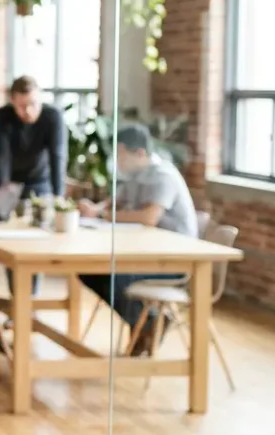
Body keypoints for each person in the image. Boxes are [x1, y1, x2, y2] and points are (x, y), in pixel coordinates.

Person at [77, 124, 198, 355]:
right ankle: (147, 322)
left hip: (171, 261)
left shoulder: (164, 176)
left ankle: (149, 324)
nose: (117, 160)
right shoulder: (133, 175)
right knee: (88, 270)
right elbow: (115, 203)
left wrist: (102, 215)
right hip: (144, 254)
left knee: (117, 276)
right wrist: (95, 209)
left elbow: (148, 218)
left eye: (120, 154)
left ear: (139, 153)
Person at [0, 76, 67, 200]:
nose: (28, 111)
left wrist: (58, 196)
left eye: (33, 104)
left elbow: (57, 156)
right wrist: (0, 197)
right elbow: (2, 157)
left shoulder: (53, 116)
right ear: (12, 101)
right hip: (11, 184)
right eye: (22, 106)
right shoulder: (2, 116)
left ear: (40, 97)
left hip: (41, 182)